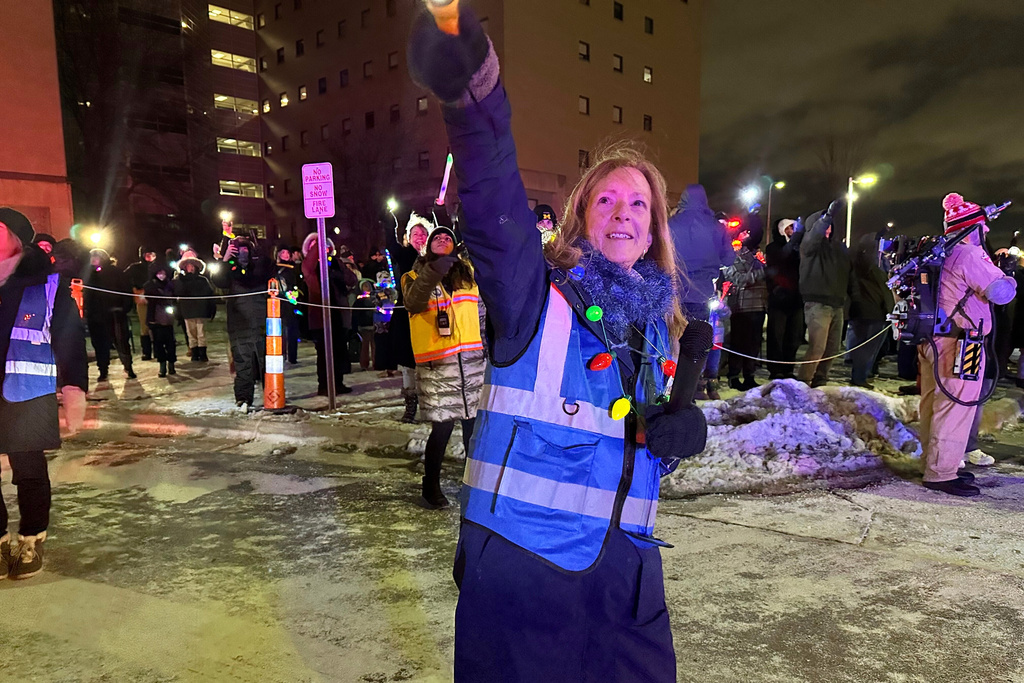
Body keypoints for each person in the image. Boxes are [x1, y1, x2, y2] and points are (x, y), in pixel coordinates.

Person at [409, 7, 707, 679]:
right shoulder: (532, 295)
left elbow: (627, 446)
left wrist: (679, 437)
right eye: (606, 201)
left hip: (628, 573)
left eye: (638, 205)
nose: (623, 215)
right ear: (580, 215)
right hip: (525, 570)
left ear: (655, 226)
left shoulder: (659, 324)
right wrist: (474, 94)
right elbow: (494, 204)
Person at [0, 208, 88, 580]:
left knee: (29, 470)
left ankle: (31, 538)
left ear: (16, 239)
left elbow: (68, 337)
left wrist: (73, 387)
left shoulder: (47, 283)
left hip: (27, 390)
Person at [918, 194, 1017, 497]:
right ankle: (942, 473)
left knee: (932, 405)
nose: (985, 234)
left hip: (931, 339)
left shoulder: (937, 253)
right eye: (982, 228)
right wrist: (1009, 276)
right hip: (963, 343)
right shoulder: (969, 254)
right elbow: (1000, 293)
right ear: (971, 228)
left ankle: (933, 461)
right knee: (956, 407)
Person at [402, 226, 486, 509]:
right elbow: (414, 302)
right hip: (438, 367)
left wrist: (486, 349)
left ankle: (475, 485)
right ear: (428, 247)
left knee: (473, 429)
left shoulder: (469, 277)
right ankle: (431, 486)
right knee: (442, 429)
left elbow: (482, 315)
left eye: (448, 237)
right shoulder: (413, 276)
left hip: (471, 364)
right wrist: (433, 270)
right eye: (436, 237)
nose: (442, 239)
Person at [669, 184, 735, 399]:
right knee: (698, 341)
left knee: (673, 340)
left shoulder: (671, 224)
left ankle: (670, 385)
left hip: (674, 293)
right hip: (702, 293)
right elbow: (729, 259)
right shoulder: (717, 227)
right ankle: (694, 387)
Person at [210, 229, 274, 409]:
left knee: (266, 361)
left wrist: (258, 252)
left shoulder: (260, 265)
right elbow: (218, 281)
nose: (243, 252)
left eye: (246, 247)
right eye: (239, 248)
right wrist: (225, 259)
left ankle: (271, 394)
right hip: (239, 323)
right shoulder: (230, 270)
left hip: (262, 320)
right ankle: (243, 397)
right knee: (243, 362)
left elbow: (270, 270)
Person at [797, 202, 851, 387]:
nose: (828, 229)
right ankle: (804, 382)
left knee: (832, 348)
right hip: (818, 303)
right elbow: (813, 237)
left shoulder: (836, 249)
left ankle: (820, 380)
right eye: (824, 225)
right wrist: (827, 216)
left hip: (837, 303)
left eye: (830, 225)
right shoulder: (809, 246)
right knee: (817, 347)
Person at [387, 213, 431, 422]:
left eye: (423, 233)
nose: (419, 236)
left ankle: (431, 403)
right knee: (408, 363)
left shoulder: (435, 258)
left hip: (430, 315)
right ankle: (410, 404)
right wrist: (388, 221)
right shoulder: (405, 256)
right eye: (415, 233)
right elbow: (390, 242)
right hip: (406, 316)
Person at [301, 232, 355, 396]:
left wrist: (339, 269)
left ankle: (337, 382)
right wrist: (319, 238)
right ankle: (324, 385)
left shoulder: (335, 263)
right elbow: (308, 264)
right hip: (320, 316)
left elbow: (351, 280)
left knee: (338, 350)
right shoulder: (309, 267)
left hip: (337, 314)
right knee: (324, 353)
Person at [724, 216, 767, 390]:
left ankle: (749, 374)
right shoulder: (730, 256)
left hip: (758, 304)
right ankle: (733, 375)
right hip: (740, 306)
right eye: (744, 233)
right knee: (738, 342)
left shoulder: (756, 256)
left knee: (754, 343)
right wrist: (761, 274)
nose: (745, 237)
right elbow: (738, 278)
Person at [847, 234, 895, 389]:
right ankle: (859, 377)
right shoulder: (864, 266)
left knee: (869, 348)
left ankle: (863, 374)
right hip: (869, 311)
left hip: (874, 311)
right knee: (866, 348)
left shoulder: (869, 267)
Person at [84, 248, 136, 382]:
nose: (94, 260)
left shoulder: (116, 273)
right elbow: (87, 295)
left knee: (121, 341)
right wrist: (87, 311)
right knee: (100, 344)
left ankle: (128, 367)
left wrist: (124, 308)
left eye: (97, 257)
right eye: (92, 257)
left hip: (115, 313)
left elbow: (126, 290)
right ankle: (103, 370)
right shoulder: (89, 275)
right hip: (96, 315)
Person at [765, 218, 804, 379]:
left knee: (793, 336)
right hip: (779, 297)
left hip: (796, 297)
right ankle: (775, 368)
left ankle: (789, 367)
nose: (792, 231)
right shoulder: (773, 247)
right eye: (789, 228)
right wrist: (776, 289)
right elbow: (781, 257)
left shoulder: (798, 248)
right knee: (776, 336)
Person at [174, 253, 216, 362]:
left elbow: (210, 295)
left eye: (192, 265)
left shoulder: (202, 280)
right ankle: (194, 352)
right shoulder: (181, 281)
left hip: (201, 310)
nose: (190, 267)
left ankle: (202, 353)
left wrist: (211, 309)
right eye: (188, 266)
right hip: (187, 310)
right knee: (191, 332)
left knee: (201, 333)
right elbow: (177, 295)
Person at [144, 263, 178, 377]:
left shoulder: (170, 285)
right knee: (158, 344)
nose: (161, 276)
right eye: (159, 273)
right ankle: (162, 366)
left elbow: (174, 297)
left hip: (168, 319)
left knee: (170, 343)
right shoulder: (150, 286)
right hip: (155, 319)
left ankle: (171, 364)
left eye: (163, 273)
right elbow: (149, 298)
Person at [124, 246, 158, 360]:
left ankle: (159, 350)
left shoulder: (157, 267)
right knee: (144, 326)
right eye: (147, 254)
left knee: (158, 325)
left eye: (151, 254)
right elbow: (125, 278)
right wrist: (134, 289)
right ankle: (146, 352)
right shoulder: (135, 268)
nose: (149, 257)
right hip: (142, 298)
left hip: (156, 298)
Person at [275, 245, 300, 365]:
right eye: (283, 252)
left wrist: (294, 298)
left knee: (291, 330)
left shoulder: (293, 269)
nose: (286, 255)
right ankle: (281, 354)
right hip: (278, 301)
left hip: (290, 302)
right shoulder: (275, 269)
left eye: (287, 252)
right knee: (280, 330)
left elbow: (295, 285)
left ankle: (292, 356)